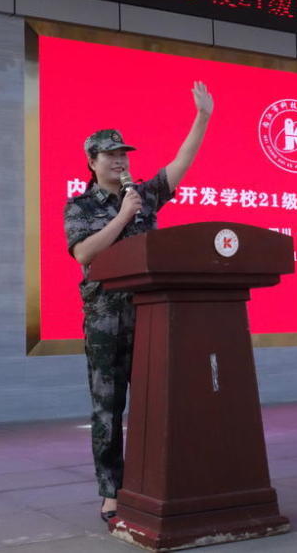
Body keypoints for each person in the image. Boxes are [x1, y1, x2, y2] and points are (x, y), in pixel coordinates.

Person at [63, 81, 214, 522]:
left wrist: (202, 118)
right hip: (105, 319)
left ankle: (154, 481)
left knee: (154, 403)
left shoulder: (145, 195)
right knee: (107, 409)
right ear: (92, 161)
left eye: (124, 154)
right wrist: (124, 216)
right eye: (110, 155)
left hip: (149, 314)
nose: (120, 160)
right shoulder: (79, 206)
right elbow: (84, 254)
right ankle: (111, 492)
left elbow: (181, 163)